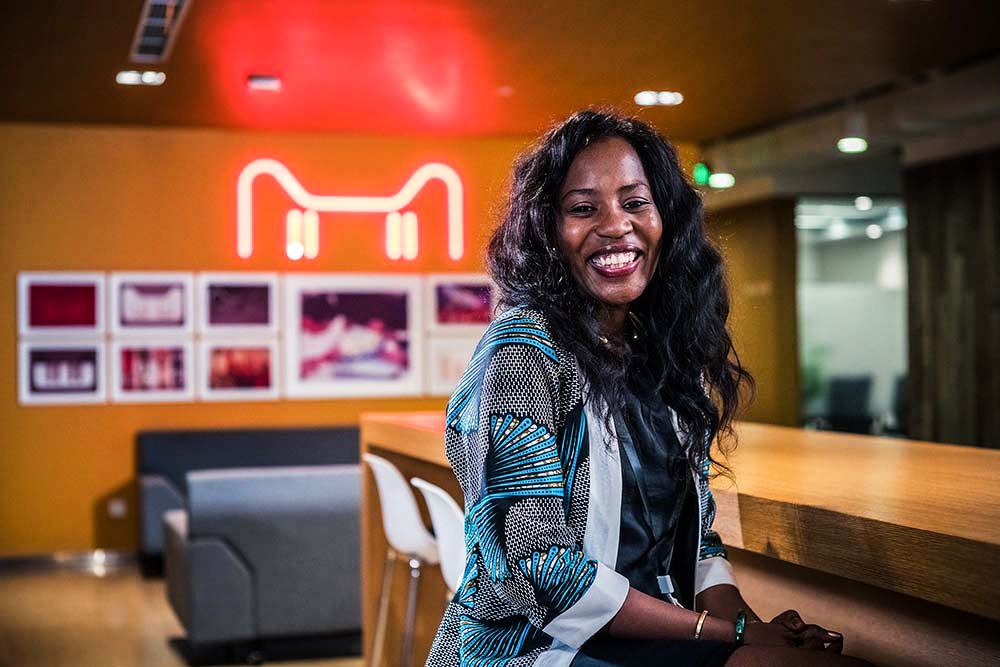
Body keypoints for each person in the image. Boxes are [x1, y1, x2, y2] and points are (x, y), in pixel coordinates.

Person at [426, 110, 875, 667]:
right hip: (534, 649)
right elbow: (531, 569)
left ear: (666, 218)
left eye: (635, 203)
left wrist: (753, 629)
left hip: (649, 641)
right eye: (583, 208)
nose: (616, 226)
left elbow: (697, 543)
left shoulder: (659, 353)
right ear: (547, 233)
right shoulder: (522, 351)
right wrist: (729, 633)